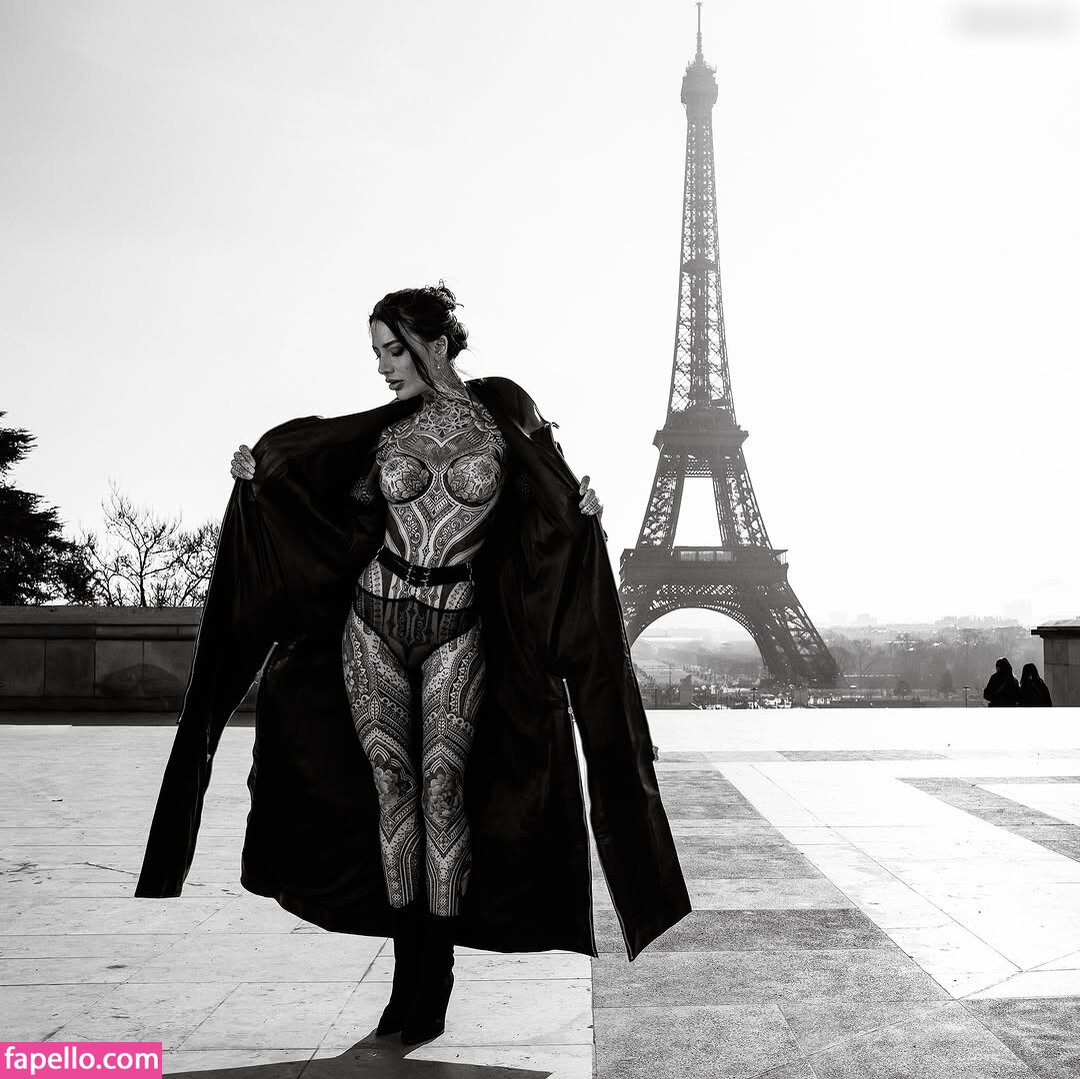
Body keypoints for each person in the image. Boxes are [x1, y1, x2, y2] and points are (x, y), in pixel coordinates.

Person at [134, 282, 691, 1047]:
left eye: (393, 350)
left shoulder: (503, 408)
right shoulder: (387, 429)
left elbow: (545, 491)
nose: (382, 367)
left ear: (436, 343)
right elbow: (328, 500)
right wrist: (262, 477)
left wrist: (581, 508)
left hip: (456, 624)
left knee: (443, 796)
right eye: (376, 352)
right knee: (394, 797)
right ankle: (407, 984)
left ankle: (435, 981)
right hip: (373, 619)